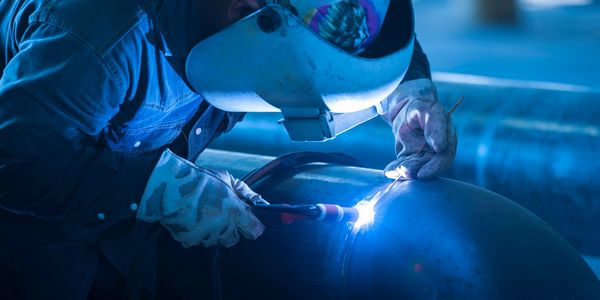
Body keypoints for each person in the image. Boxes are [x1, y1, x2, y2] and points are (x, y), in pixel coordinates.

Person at [0, 0, 456, 297]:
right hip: (29, 221)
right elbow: (14, 159)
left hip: (115, 224)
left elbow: (366, 22)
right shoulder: (101, 36)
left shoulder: (277, 16)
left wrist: (407, 97)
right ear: (245, 11)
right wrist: (155, 188)